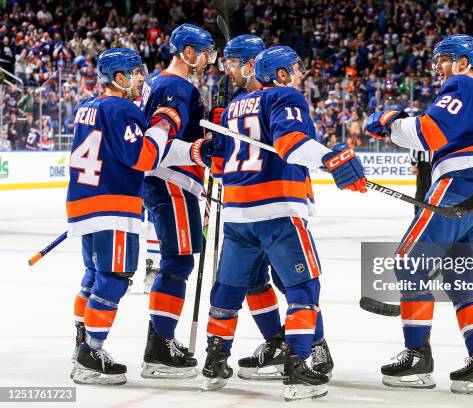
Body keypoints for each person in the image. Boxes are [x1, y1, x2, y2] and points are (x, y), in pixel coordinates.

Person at [200, 46, 367, 401]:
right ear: (280, 74)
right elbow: (291, 143)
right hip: (278, 209)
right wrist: (330, 158)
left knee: (229, 289)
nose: (300, 73)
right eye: (295, 67)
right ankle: (297, 368)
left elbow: (217, 164)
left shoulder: (232, 107)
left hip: (236, 212)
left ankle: (214, 364)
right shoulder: (286, 95)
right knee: (304, 287)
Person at [365, 34, 473, 394]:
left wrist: (390, 120)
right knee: (460, 280)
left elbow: (428, 132)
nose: (438, 67)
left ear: (464, 62)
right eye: (437, 60)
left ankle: (417, 356)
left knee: (409, 263)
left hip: (460, 186)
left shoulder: (461, 87)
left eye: (445, 59)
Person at [68, 48, 207, 385]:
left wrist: (189, 149)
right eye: (135, 73)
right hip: (113, 204)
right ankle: (91, 353)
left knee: (94, 275)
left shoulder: (88, 106)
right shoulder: (123, 108)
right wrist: (164, 123)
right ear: (119, 78)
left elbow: (134, 148)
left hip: (84, 203)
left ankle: (82, 345)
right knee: (114, 277)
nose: (141, 79)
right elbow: (144, 156)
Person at [218, 34, 335, 381]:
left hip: (272, 205)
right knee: (258, 282)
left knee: (290, 281)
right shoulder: (243, 101)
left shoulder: (265, 99)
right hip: (256, 206)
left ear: (255, 64)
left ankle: (315, 345)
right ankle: (278, 342)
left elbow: (291, 143)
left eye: (234, 63)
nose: (229, 71)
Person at [138, 23, 218, 379]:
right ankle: (159, 346)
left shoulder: (157, 82)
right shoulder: (176, 86)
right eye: (203, 52)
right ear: (187, 52)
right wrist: (199, 150)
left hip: (167, 182)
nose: (207, 59)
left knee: (177, 261)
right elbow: (157, 145)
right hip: (172, 182)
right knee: (178, 262)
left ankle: (160, 341)